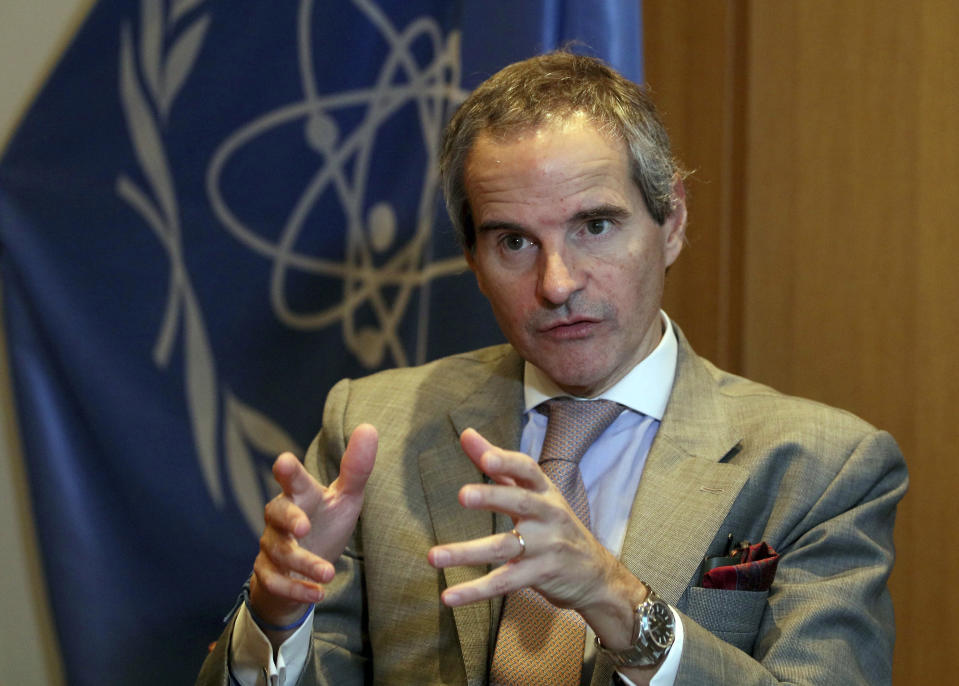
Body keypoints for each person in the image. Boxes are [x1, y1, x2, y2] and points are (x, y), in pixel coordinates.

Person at [197, 52, 907, 686]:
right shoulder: (374, 433)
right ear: (472, 261)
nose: (557, 283)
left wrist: (619, 605)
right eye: (513, 242)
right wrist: (275, 620)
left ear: (672, 222)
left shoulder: (821, 467)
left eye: (593, 226)